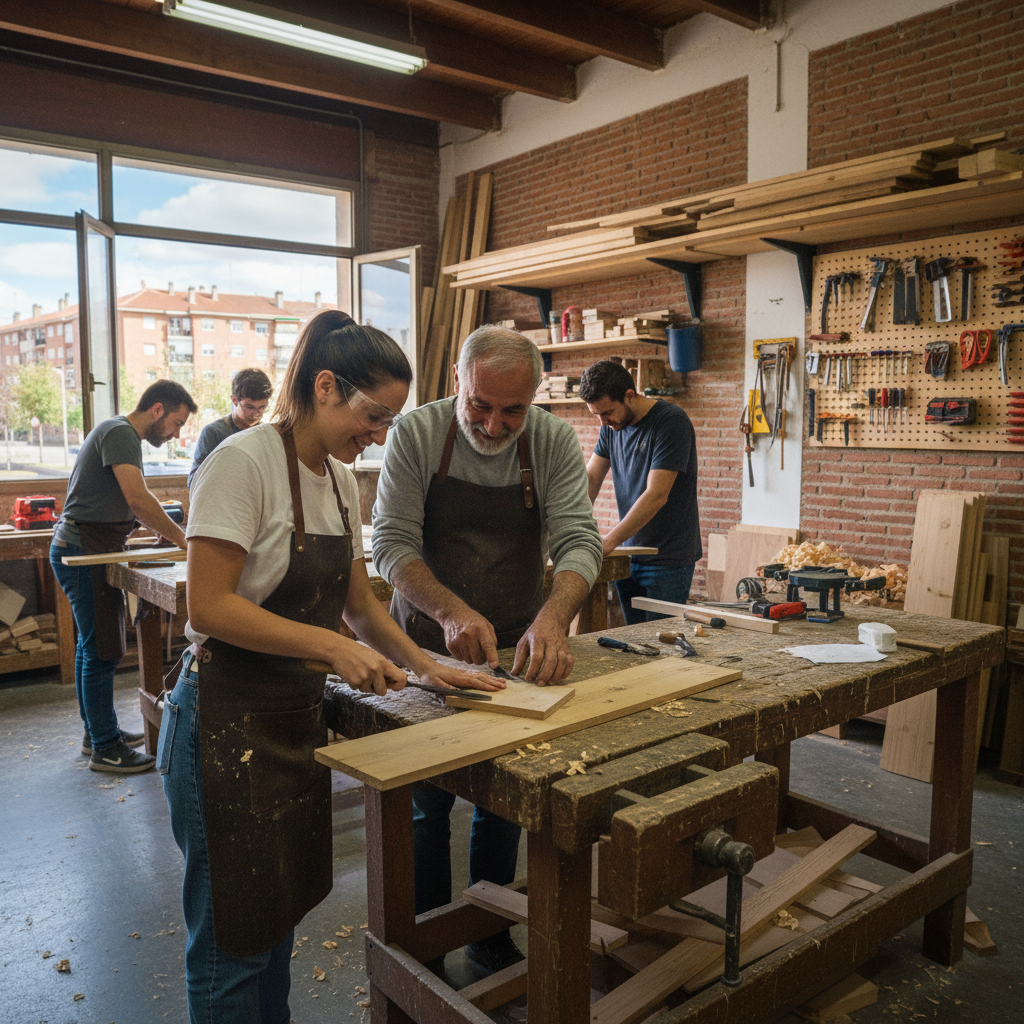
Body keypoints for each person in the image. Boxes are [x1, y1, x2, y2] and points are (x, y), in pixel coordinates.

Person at [159, 310, 500, 1024]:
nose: (378, 435)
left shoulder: (343, 484)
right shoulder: (243, 462)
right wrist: (332, 650)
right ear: (324, 387)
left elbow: (363, 610)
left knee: (276, 923)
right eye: (372, 416)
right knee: (231, 945)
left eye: (389, 421)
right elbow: (211, 608)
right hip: (221, 724)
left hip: (289, 723)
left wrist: (430, 666)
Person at [372, 324, 603, 974]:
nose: (495, 426)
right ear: (455, 381)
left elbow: (581, 541)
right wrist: (447, 610)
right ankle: (425, 942)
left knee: (505, 799)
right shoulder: (418, 434)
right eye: (480, 406)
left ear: (534, 398)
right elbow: (391, 544)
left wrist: (555, 618)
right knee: (426, 801)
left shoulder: (553, 440)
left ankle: (489, 932)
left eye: (512, 411)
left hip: (515, 648)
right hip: (424, 646)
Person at [50, 380, 197, 773]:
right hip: (84, 548)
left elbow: (119, 501)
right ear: (157, 409)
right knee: (103, 652)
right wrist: (181, 538)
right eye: (177, 423)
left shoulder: (118, 433)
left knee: (90, 647)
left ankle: (96, 731)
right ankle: (106, 747)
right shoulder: (121, 432)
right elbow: (137, 497)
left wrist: (146, 525)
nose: (177, 433)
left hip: (88, 544)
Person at [579, 359, 702, 624]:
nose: (602, 422)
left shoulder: (671, 422)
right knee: (634, 644)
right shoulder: (611, 428)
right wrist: (570, 525)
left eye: (607, 412)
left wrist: (609, 541)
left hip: (667, 558)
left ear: (629, 396)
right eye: (596, 415)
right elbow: (591, 478)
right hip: (628, 555)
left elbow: (656, 494)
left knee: (661, 645)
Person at [187, 367, 273, 486]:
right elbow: (193, 481)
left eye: (262, 407)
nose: (256, 413)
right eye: (249, 407)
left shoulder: (267, 435)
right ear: (234, 400)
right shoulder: (213, 432)